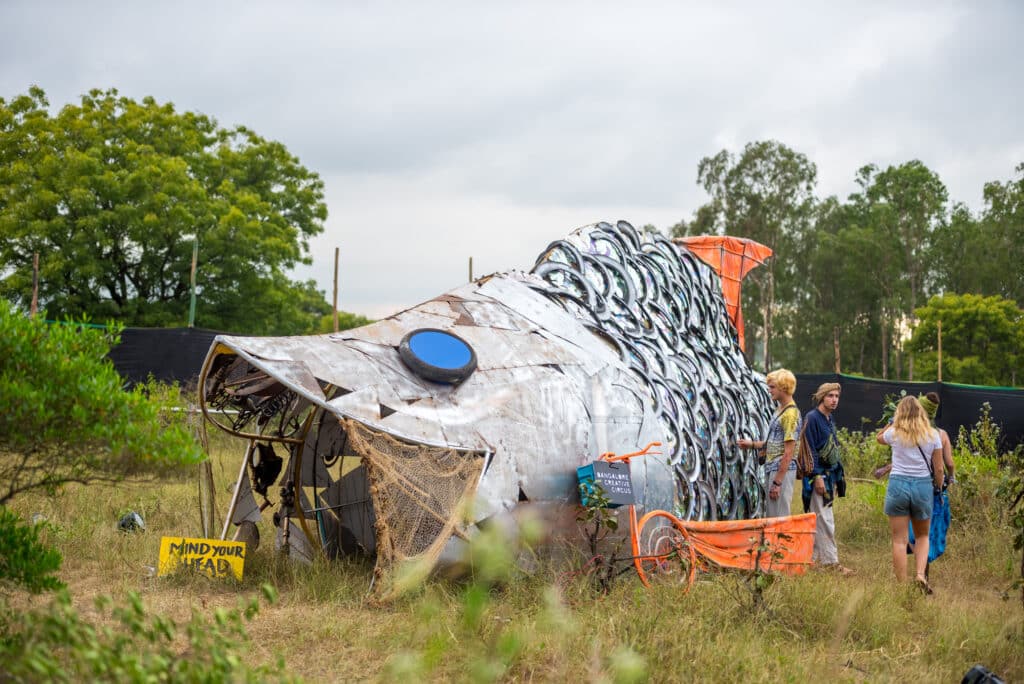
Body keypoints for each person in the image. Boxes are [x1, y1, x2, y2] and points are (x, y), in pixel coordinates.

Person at [875, 392, 955, 570]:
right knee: (922, 536)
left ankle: (902, 587)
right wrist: (940, 487)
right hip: (923, 487)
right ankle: (920, 575)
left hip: (898, 485)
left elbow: (879, 438)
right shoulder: (933, 435)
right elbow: (940, 468)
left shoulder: (895, 433)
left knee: (899, 540)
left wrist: (892, 422)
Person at [801, 382, 852, 574]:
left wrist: (838, 479)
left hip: (829, 476)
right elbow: (809, 449)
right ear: (822, 396)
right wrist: (818, 476)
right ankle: (831, 563)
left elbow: (832, 449)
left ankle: (815, 561)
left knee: (820, 518)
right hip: (819, 476)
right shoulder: (812, 418)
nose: (834, 400)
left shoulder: (829, 418)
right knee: (825, 520)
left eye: (837, 396)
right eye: (830, 396)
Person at [738, 369, 800, 518]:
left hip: (781, 471)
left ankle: (781, 542)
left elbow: (788, 452)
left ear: (783, 387)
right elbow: (773, 443)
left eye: (772, 387)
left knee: (779, 518)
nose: (769, 390)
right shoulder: (780, 410)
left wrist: (778, 483)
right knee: (772, 514)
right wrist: (752, 444)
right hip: (773, 468)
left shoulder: (790, 415)